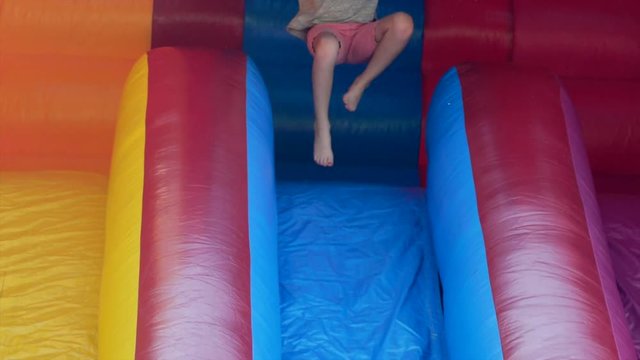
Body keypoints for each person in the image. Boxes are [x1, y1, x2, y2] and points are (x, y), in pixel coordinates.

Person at [288, 0, 414, 167]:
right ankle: (322, 125)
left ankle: (362, 82)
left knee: (403, 23)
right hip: (325, 30)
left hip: (364, 31)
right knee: (327, 47)